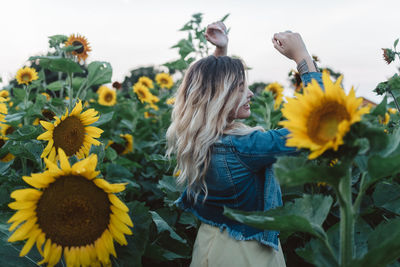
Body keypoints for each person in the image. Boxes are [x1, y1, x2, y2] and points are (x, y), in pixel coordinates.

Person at [166, 21, 323, 267]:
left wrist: (221, 53)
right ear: (221, 98)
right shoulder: (248, 147)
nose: (250, 93)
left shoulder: (197, 139)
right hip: (248, 254)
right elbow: (318, 123)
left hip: (209, 245)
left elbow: (209, 91)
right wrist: (303, 58)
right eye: (240, 88)